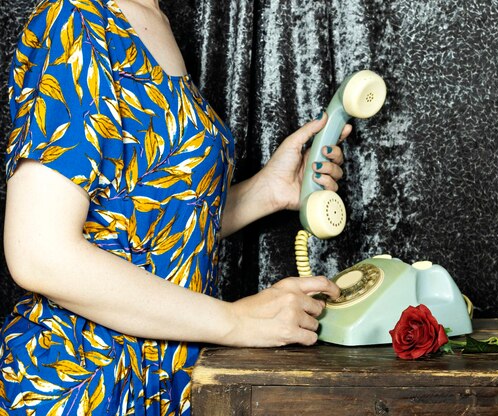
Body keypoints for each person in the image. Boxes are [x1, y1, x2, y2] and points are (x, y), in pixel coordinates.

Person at [0, 0, 350, 414]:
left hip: (170, 377)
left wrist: (267, 191)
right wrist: (237, 321)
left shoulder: (154, 18)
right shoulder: (75, 20)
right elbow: (40, 254)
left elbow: (142, 224)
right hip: (82, 382)